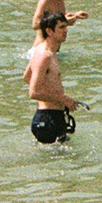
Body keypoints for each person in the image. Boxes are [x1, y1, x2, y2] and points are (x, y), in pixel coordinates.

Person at [26, 13, 82, 144]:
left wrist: (50, 90)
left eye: (66, 26)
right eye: (61, 27)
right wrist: (63, 99)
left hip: (54, 115)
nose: (66, 30)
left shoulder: (47, 51)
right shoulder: (44, 56)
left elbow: (27, 76)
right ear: (49, 31)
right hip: (47, 118)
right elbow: (33, 92)